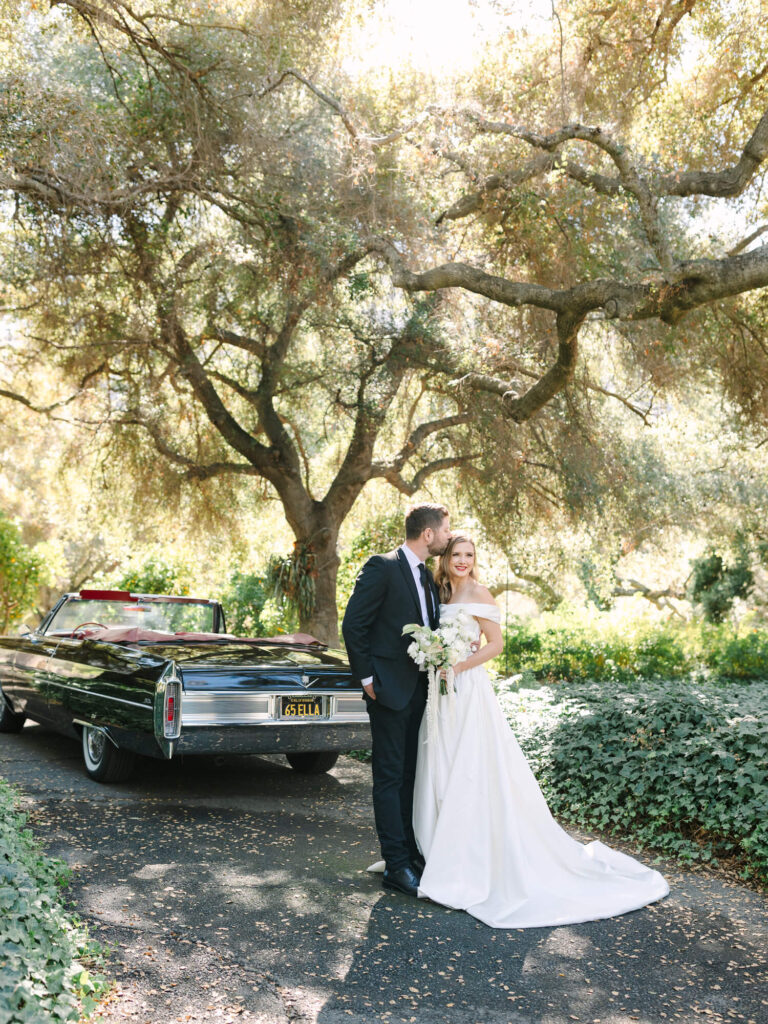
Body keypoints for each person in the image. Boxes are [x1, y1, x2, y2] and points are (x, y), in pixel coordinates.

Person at [409, 532, 670, 927]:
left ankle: (468, 857)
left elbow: (495, 645)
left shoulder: (482, 593)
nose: (463, 560)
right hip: (441, 693)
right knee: (441, 760)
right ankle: (437, 848)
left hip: (467, 689)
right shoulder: (440, 594)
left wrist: (457, 665)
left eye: (469, 555)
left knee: (471, 766)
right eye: (457, 554)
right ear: (445, 559)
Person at [342, 503, 452, 897]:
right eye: (445, 530)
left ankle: (407, 854)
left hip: (419, 694)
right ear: (427, 533)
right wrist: (369, 678)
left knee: (409, 776)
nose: (447, 536)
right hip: (387, 691)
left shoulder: (424, 576)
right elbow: (354, 623)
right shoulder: (383, 566)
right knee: (389, 777)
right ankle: (396, 866)